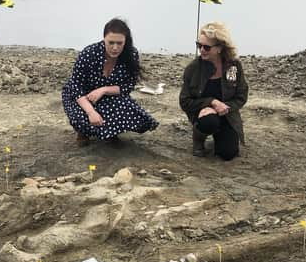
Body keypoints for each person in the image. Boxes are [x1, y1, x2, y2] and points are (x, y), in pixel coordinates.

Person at [62, 18, 159, 146]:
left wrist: (104, 90)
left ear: (125, 41)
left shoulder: (131, 54)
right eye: (111, 42)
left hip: (108, 96)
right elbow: (75, 87)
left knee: (134, 114)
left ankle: (111, 133)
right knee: (83, 117)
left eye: (120, 43)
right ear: (104, 39)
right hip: (81, 97)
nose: (115, 48)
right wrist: (91, 112)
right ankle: (83, 132)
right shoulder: (88, 54)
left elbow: (127, 87)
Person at [179, 22, 248, 160]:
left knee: (228, 154)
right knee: (208, 121)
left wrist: (223, 108)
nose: (202, 50)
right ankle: (198, 139)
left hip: (227, 114)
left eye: (206, 47)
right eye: (199, 45)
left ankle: (220, 135)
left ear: (220, 48)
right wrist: (211, 103)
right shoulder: (192, 69)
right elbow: (184, 101)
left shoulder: (233, 66)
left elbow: (241, 96)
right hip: (204, 115)